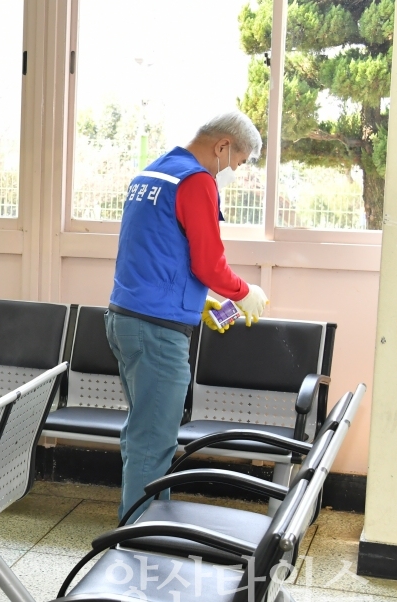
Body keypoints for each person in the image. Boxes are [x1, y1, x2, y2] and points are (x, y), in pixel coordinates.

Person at [106, 110, 269, 523]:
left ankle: (146, 527)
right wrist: (244, 292)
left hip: (126, 318)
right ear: (222, 146)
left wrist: (199, 304)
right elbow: (209, 265)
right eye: (238, 162)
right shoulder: (197, 181)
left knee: (142, 433)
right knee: (153, 440)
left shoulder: (153, 173)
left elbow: (157, 252)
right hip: (157, 333)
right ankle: (137, 545)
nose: (234, 171)